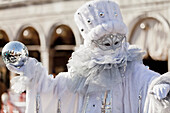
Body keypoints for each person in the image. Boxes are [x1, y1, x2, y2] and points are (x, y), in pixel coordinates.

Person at [6, 0, 170, 113]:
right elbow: (53, 91)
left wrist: (158, 86)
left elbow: (147, 81)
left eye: (117, 40)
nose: (112, 46)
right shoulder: (81, 75)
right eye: (105, 42)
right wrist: (33, 73)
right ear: (92, 43)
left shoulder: (131, 69)